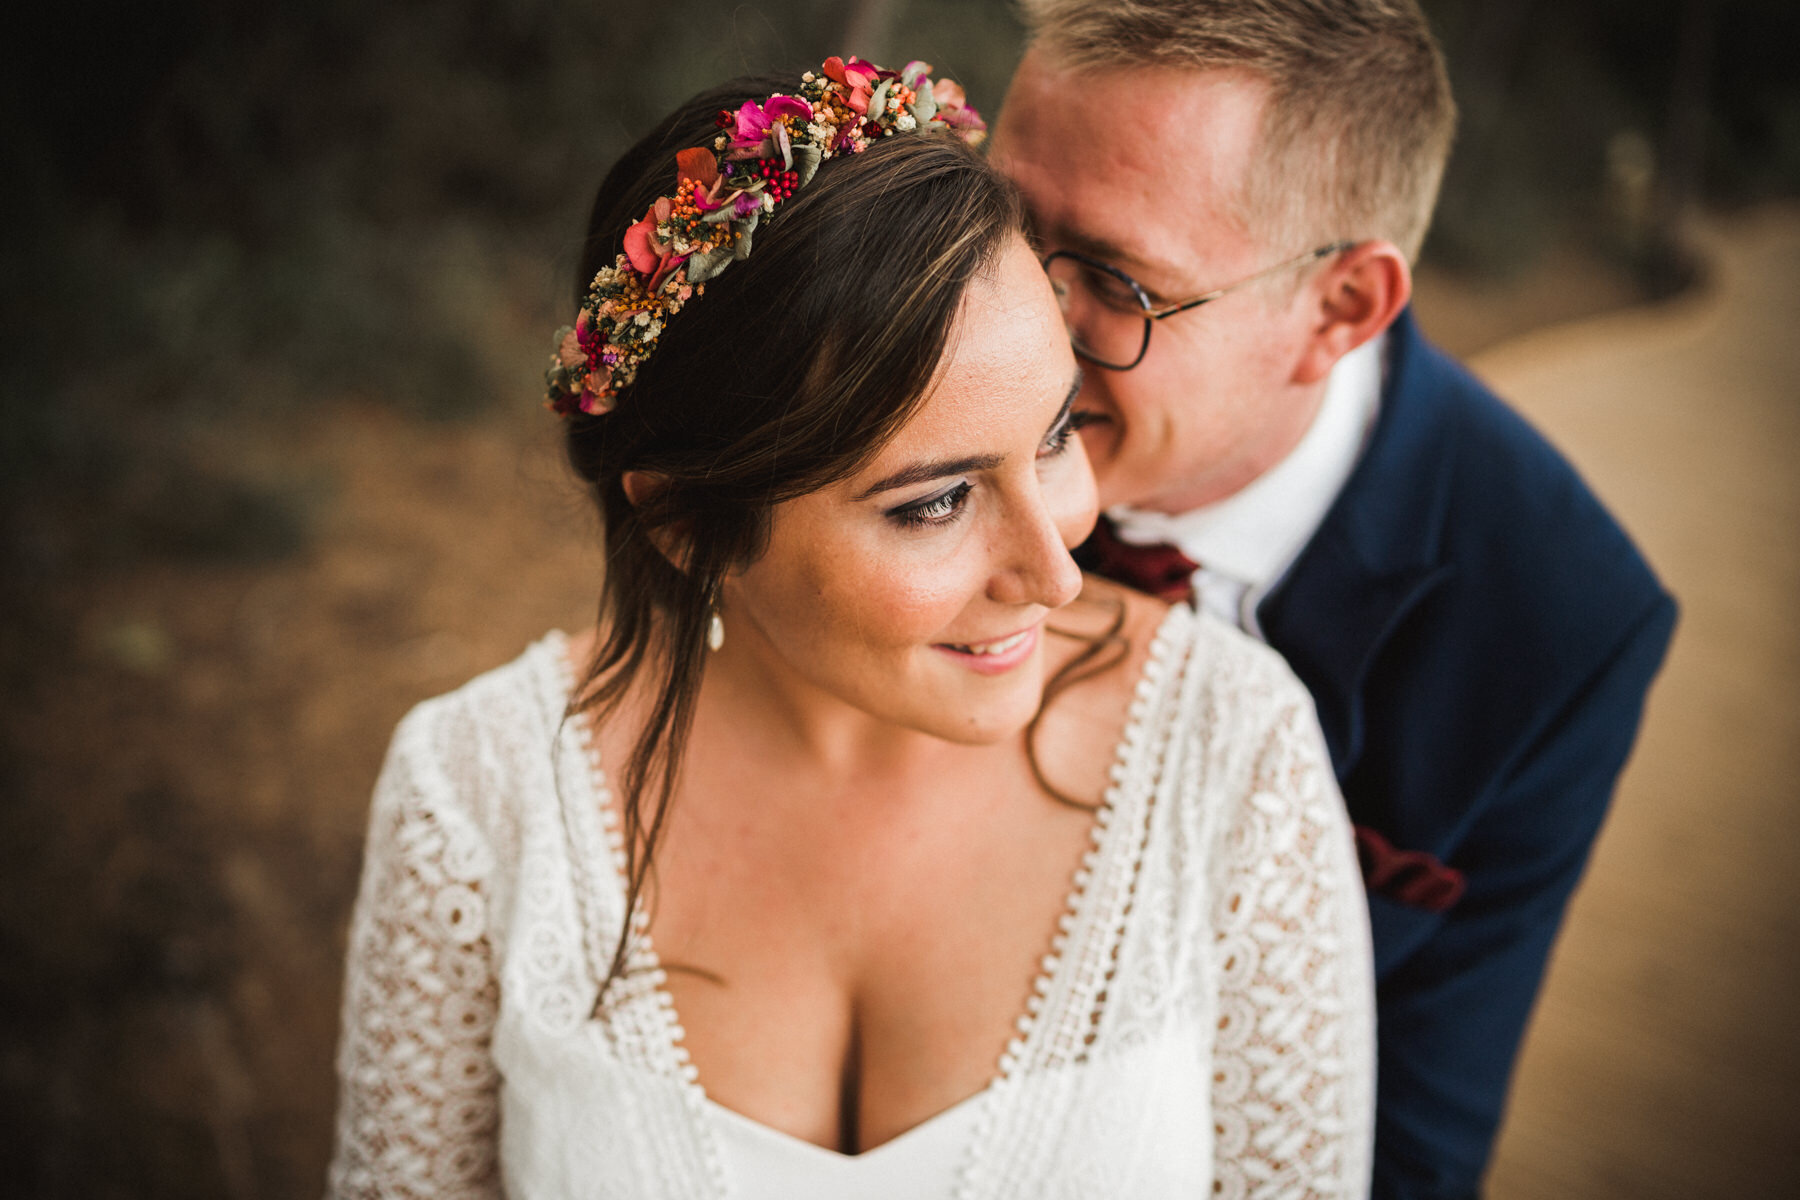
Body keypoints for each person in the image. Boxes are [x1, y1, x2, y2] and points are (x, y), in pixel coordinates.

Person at [327, 59, 1375, 1199]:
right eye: (935, 502)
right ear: (689, 526)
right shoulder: (475, 798)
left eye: (1057, 432)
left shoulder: (1234, 744)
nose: (1055, 575)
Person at [990, 2, 1679, 1196]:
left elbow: (1408, 1140)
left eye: (1113, 278)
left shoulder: (1558, 621)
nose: (1016, 328)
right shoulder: (911, 378)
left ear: (1341, 309)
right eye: (1001, 219)